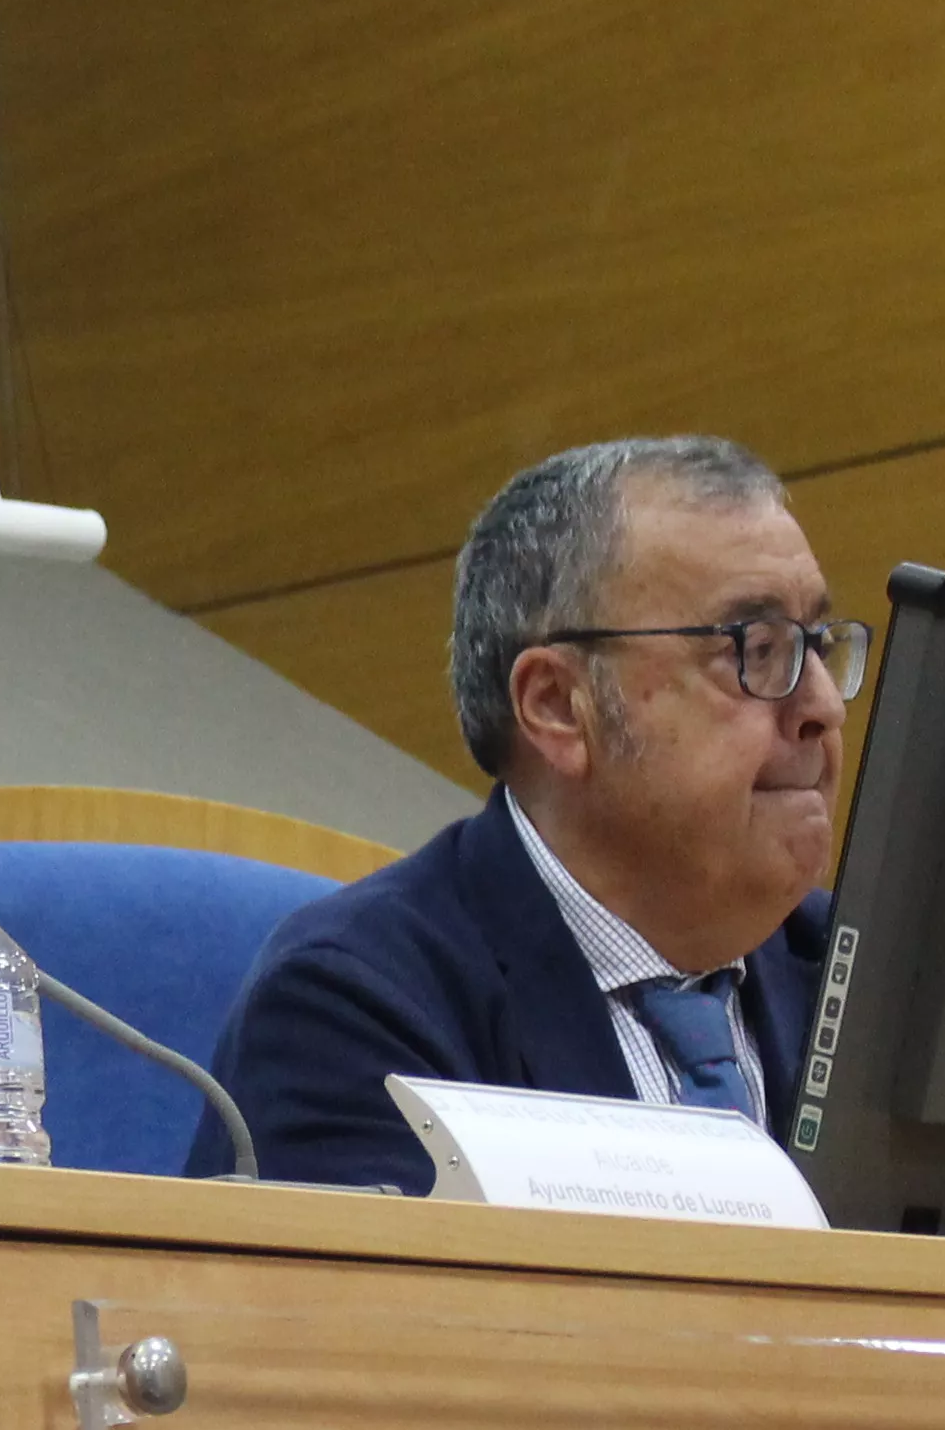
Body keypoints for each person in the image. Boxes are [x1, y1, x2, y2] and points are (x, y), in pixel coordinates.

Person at [209, 434, 853, 1191]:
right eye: (756, 649)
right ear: (556, 707)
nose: (819, 705)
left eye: (817, 644)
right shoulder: (357, 1010)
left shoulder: (866, 985)